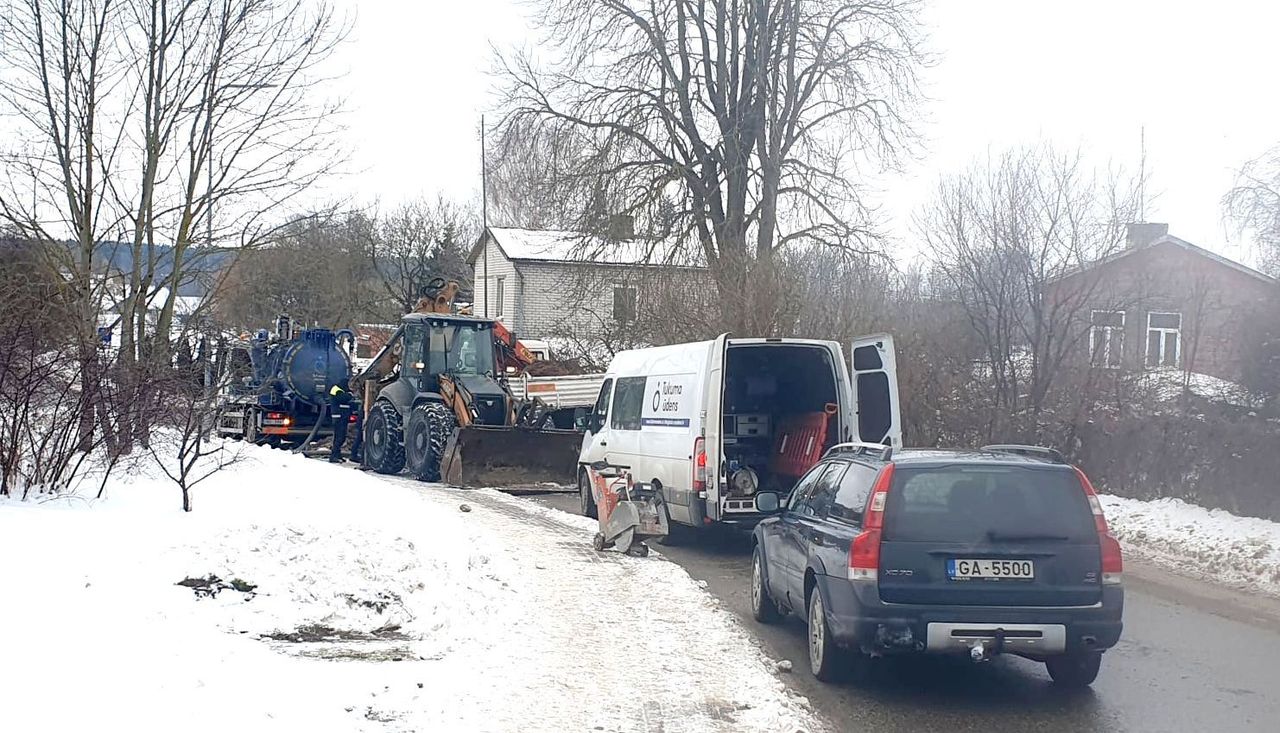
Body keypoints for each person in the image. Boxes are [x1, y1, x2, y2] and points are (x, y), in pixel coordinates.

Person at [327, 383, 364, 463]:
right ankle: (334, 456)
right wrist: (350, 394)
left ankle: (337, 455)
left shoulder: (341, 390)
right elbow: (343, 398)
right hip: (339, 417)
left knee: (341, 437)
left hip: (342, 417)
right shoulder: (336, 390)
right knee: (339, 437)